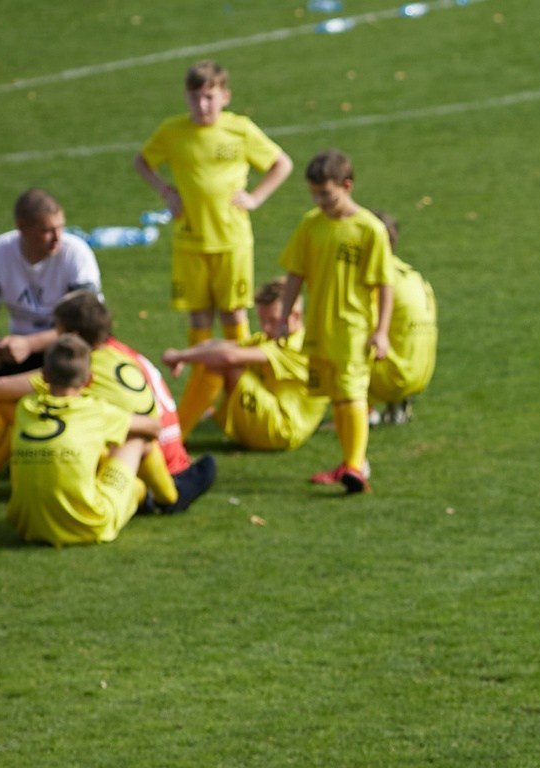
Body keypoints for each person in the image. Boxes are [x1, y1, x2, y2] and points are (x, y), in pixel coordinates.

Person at [136, 58, 291, 426]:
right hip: (190, 242)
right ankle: (201, 394)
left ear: (225, 96)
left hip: (232, 241)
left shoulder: (240, 130)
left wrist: (255, 198)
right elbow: (142, 161)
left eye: (209, 97)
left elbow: (281, 163)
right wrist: (165, 192)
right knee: (199, 315)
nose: (202, 105)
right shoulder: (173, 131)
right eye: (195, 97)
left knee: (235, 314)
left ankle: (238, 390)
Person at [276, 150, 395, 494]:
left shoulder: (369, 229)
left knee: (352, 392)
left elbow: (383, 285)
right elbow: (295, 273)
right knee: (337, 397)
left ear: (347, 186)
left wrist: (382, 332)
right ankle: (350, 461)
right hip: (319, 327)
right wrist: (284, 317)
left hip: (353, 328)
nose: (320, 201)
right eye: (314, 193)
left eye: (326, 194)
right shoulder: (311, 224)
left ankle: (357, 465)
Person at [41, 292, 215, 515]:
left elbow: (28, 385)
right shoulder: (121, 354)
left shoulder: (89, 364)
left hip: (149, 458)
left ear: (73, 334)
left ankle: (153, 496)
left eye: (57, 330)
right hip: (173, 456)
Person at [0, 336, 160, 546]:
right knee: (136, 440)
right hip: (89, 525)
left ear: (44, 376)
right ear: (88, 380)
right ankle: (167, 499)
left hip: (27, 525)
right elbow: (153, 427)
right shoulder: (94, 411)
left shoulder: (25, 407)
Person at [164, 280, 329, 453]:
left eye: (272, 320)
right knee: (218, 357)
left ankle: (173, 438)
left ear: (295, 315)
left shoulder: (298, 346)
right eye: (262, 320)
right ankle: (174, 435)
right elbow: (221, 345)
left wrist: (180, 356)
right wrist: (184, 355)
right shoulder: (274, 338)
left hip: (282, 432)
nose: (266, 328)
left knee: (224, 364)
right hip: (268, 423)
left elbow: (229, 356)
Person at [0, 189, 101, 375]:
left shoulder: (76, 254)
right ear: (22, 227)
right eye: (47, 231)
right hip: (17, 348)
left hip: (66, 345)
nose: (57, 237)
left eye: (60, 227)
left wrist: (29, 344)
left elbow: (85, 326)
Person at [366, 209, 436, 426]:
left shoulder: (375, 279)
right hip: (420, 374)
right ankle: (395, 404)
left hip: (395, 376)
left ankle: (363, 412)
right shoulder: (412, 274)